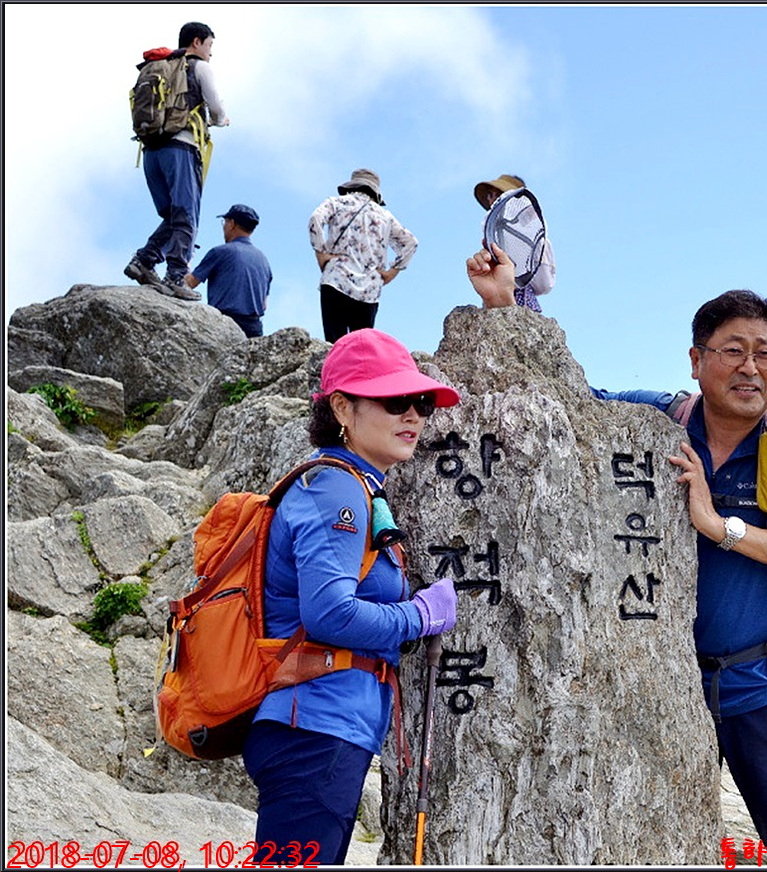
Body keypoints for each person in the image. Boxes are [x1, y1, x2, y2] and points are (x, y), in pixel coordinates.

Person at [590, 288, 767, 861]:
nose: (750, 367)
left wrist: (717, 524)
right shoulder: (660, 419)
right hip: (666, 687)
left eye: (765, 353)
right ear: (696, 359)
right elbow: (567, 392)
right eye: (733, 350)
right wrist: (507, 305)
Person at [243, 328, 460, 864]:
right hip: (314, 732)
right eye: (394, 400)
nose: (413, 415)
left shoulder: (359, 485)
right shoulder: (337, 487)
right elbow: (329, 614)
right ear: (342, 407)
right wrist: (419, 616)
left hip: (324, 731)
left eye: (422, 402)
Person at [124, 21, 229, 301]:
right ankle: (175, 275)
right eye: (209, 45)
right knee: (186, 215)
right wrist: (221, 120)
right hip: (181, 148)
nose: (211, 52)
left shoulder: (162, 67)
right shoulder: (198, 67)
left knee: (172, 215)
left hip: (151, 150)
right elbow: (217, 108)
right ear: (196, 42)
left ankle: (144, 261)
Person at [308, 169, 418, 343]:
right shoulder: (385, 216)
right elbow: (411, 242)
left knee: (335, 345)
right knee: (360, 348)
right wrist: (391, 272)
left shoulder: (336, 203)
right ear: (375, 193)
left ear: (351, 186)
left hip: (336, 280)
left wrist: (321, 253)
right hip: (369, 291)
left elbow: (315, 219)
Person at [183, 204, 272, 337]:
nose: (224, 227)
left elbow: (188, 283)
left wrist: (186, 262)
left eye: (225, 222)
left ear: (232, 224)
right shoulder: (264, 261)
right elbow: (264, 305)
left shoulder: (220, 252)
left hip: (223, 325)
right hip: (254, 330)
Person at [473, 173, 556, 312]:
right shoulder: (496, 231)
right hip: (500, 303)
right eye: (490, 195)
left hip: (520, 303)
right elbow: (545, 284)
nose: (492, 199)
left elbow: (545, 283)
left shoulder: (532, 237)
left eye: (498, 194)